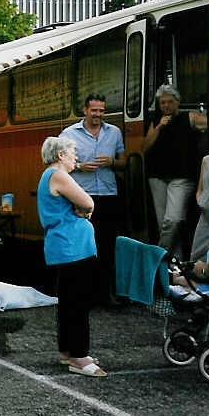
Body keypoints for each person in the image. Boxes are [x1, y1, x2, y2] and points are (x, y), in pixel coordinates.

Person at [38, 136, 106, 377]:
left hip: (65, 246)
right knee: (78, 301)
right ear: (60, 155)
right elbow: (88, 202)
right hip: (73, 247)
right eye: (72, 152)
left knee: (68, 301)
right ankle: (79, 356)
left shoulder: (49, 176)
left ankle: (68, 351)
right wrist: (87, 210)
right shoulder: (58, 175)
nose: (75, 157)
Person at [60, 93, 124, 305]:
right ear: (85, 110)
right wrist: (79, 167)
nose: (98, 115)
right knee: (83, 246)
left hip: (107, 195)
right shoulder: (69, 134)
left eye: (101, 111)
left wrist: (112, 162)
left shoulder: (114, 132)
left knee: (107, 246)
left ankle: (106, 294)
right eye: (94, 110)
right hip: (81, 195)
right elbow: (57, 165)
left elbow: (124, 162)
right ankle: (84, 296)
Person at [143, 84, 207, 260]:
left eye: (170, 102)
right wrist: (158, 128)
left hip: (182, 177)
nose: (166, 106)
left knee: (174, 219)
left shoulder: (190, 117)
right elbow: (145, 147)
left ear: (177, 102)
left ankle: (157, 258)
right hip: (157, 177)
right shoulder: (155, 120)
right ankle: (175, 265)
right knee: (164, 223)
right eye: (162, 102)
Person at [189, 130, 209, 262]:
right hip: (205, 217)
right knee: (197, 258)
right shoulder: (207, 160)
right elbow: (200, 188)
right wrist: (200, 201)